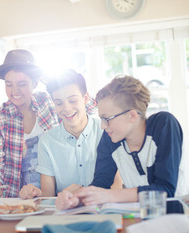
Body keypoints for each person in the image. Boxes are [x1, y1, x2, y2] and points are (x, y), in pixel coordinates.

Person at [56, 75, 184, 210]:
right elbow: (100, 184)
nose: (103, 126)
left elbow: (165, 190)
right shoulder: (111, 138)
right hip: (138, 218)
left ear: (132, 116)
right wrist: (77, 199)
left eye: (107, 118)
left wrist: (110, 195)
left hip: (177, 218)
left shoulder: (164, 124)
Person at [0, 50, 96, 198]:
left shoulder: (47, 100)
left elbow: (91, 107)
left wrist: (52, 82)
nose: (14, 91)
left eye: (22, 84)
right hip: (19, 196)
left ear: (35, 83)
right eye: (9, 85)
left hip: (58, 191)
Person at [19, 70, 122, 199]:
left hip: (104, 209)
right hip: (67, 213)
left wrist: (80, 194)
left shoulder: (107, 132)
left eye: (72, 100)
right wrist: (34, 193)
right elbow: (48, 195)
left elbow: (117, 187)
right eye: (59, 103)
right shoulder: (47, 141)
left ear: (85, 98)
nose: (66, 108)